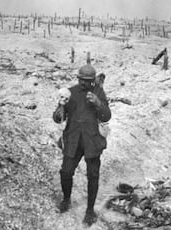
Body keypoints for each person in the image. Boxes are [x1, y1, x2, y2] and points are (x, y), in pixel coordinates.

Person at [52, 64, 111, 226]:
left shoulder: (98, 92)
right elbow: (58, 118)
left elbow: (106, 117)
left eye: (88, 81)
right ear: (78, 78)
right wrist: (59, 111)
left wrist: (98, 103)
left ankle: (90, 210)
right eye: (81, 80)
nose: (84, 83)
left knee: (93, 175)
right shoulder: (70, 92)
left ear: (93, 80)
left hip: (92, 140)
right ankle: (66, 200)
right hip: (73, 139)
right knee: (65, 172)